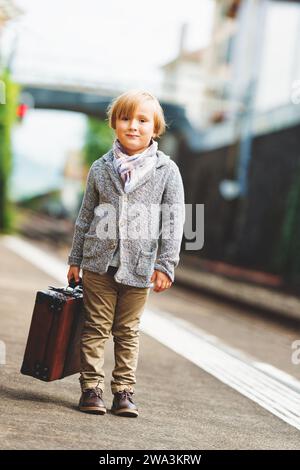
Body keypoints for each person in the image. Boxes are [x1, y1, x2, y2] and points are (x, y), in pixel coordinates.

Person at [67, 89, 185, 418]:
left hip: (141, 266)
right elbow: (85, 216)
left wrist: (166, 264)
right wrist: (75, 259)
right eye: (125, 118)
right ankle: (91, 387)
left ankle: (123, 391)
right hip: (97, 263)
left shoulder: (166, 171)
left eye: (142, 120)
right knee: (94, 326)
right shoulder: (101, 168)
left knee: (128, 331)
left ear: (155, 128)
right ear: (114, 123)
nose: (133, 126)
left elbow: (174, 221)